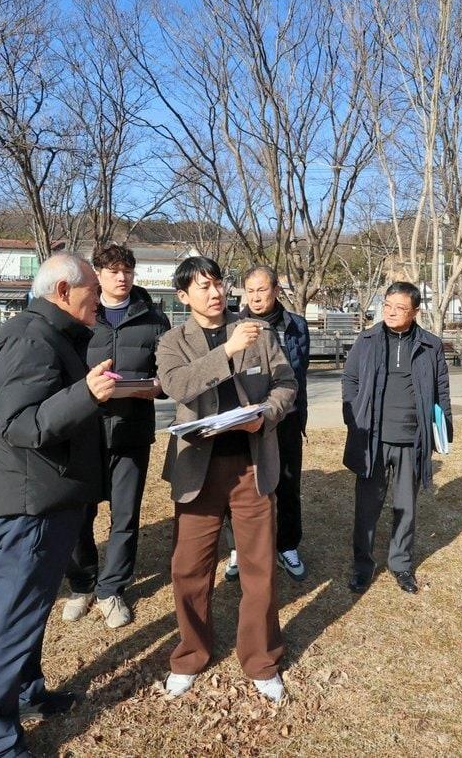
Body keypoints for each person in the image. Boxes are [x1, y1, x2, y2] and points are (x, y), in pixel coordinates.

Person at [0, 253, 118, 758]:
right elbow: (22, 425)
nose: (100, 299)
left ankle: (28, 694)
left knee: (27, 614)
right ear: (62, 291)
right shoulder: (29, 341)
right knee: (12, 623)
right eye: (93, 289)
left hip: (46, 498)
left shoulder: (49, 335)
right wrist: (87, 394)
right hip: (31, 506)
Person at [155, 256, 297, 703]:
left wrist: (266, 415)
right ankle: (190, 654)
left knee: (259, 568)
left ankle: (260, 659)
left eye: (217, 283)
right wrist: (228, 351)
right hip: (197, 470)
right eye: (203, 287)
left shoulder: (260, 332)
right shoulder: (173, 341)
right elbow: (178, 386)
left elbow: (286, 384)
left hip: (251, 466)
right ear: (184, 296)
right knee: (190, 568)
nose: (215, 293)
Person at [63, 244, 170, 628]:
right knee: (79, 512)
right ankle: (82, 584)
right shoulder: (80, 313)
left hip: (131, 431)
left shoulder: (153, 319)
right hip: (83, 430)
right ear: (98, 275)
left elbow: (168, 374)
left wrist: (156, 387)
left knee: (125, 514)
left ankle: (111, 589)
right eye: (113, 271)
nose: (121, 278)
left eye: (127, 270)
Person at [341, 281, 453, 595]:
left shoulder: (431, 345)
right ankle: (362, 566)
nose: (390, 312)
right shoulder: (367, 340)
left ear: (415, 312)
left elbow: (441, 390)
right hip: (373, 439)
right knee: (367, 507)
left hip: (413, 439)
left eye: (399, 308)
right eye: (387, 305)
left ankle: (401, 564)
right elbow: (349, 379)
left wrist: (443, 429)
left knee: (406, 507)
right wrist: (354, 418)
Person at [225, 265, 310, 582]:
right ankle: (238, 548)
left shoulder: (296, 325)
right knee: (240, 487)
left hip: (286, 418)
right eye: (250, 291)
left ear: (276, 290)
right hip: (244, 419)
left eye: (262, 290)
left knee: (288, 483)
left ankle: (287, 545)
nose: (256, 297)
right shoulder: (233, 325)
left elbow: (299, 373)